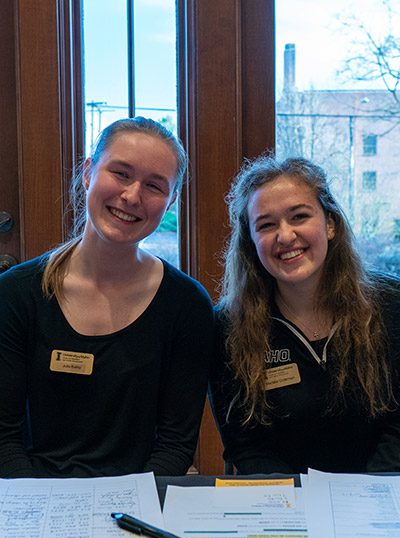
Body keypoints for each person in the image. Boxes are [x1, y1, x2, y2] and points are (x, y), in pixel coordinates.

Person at [0, 116, 214, 478]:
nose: (132, 196)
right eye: (121, 173)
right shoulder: (16, 293)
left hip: (138, 506)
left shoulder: (187, 305)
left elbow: (175, 445)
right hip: (35, 503)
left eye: (154, 186)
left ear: (171, 200)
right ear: (87, 173)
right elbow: (4, 439)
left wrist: (134, 508)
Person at [209, 154, 400, 474]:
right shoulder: (229, 327)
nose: (285, 236)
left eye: (299, 216)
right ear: (251, 241)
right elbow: (247, 444)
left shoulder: (391, 305)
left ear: (330, 224)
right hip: (283, 504)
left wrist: (363, 500)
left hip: (381, 499)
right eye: (266, 225)